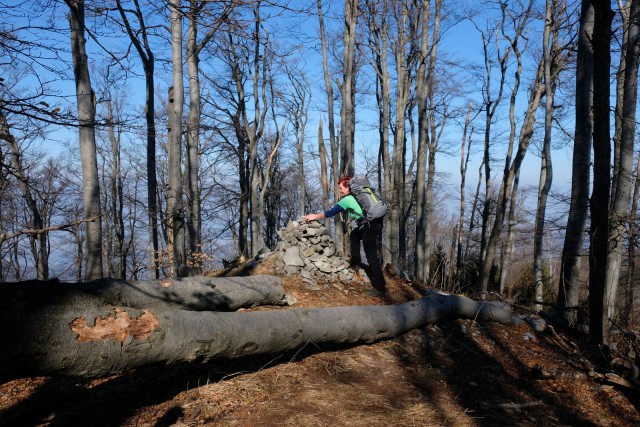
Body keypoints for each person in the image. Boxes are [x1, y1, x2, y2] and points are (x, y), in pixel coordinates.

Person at [303, 175, 387, 297]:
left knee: (371, 257)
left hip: (369, 226)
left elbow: (330, 213)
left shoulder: (347, 200)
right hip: (376, 223)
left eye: (341, 188)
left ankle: (380, 288)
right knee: (354, 235)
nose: (340, 191)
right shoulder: (358, 197)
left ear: (348, 188)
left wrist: (314, 216)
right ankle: (356, 263)